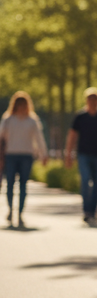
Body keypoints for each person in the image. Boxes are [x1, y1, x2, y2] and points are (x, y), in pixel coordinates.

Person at [64, 88, 97, 226]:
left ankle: (92, 212)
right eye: (90, 99)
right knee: (85, 180)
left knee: (96, 184)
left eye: (95, 99)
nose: (92, 102)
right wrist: (68, 154)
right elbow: (72, 136)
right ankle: (86, 211)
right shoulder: (80, 117)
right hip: (83, 155)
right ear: (86, 100)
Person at [0, 92, 48, 229]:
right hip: (10, 155)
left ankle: (20, 213)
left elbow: (39, 138)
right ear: (15, 105)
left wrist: (43, 154)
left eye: (24, 104)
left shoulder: (32, 121)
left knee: (23, 185)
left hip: (26, 155)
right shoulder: (8, 120)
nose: (21, 107)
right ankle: (10, 209)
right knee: (9, 184)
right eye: (19, 104)